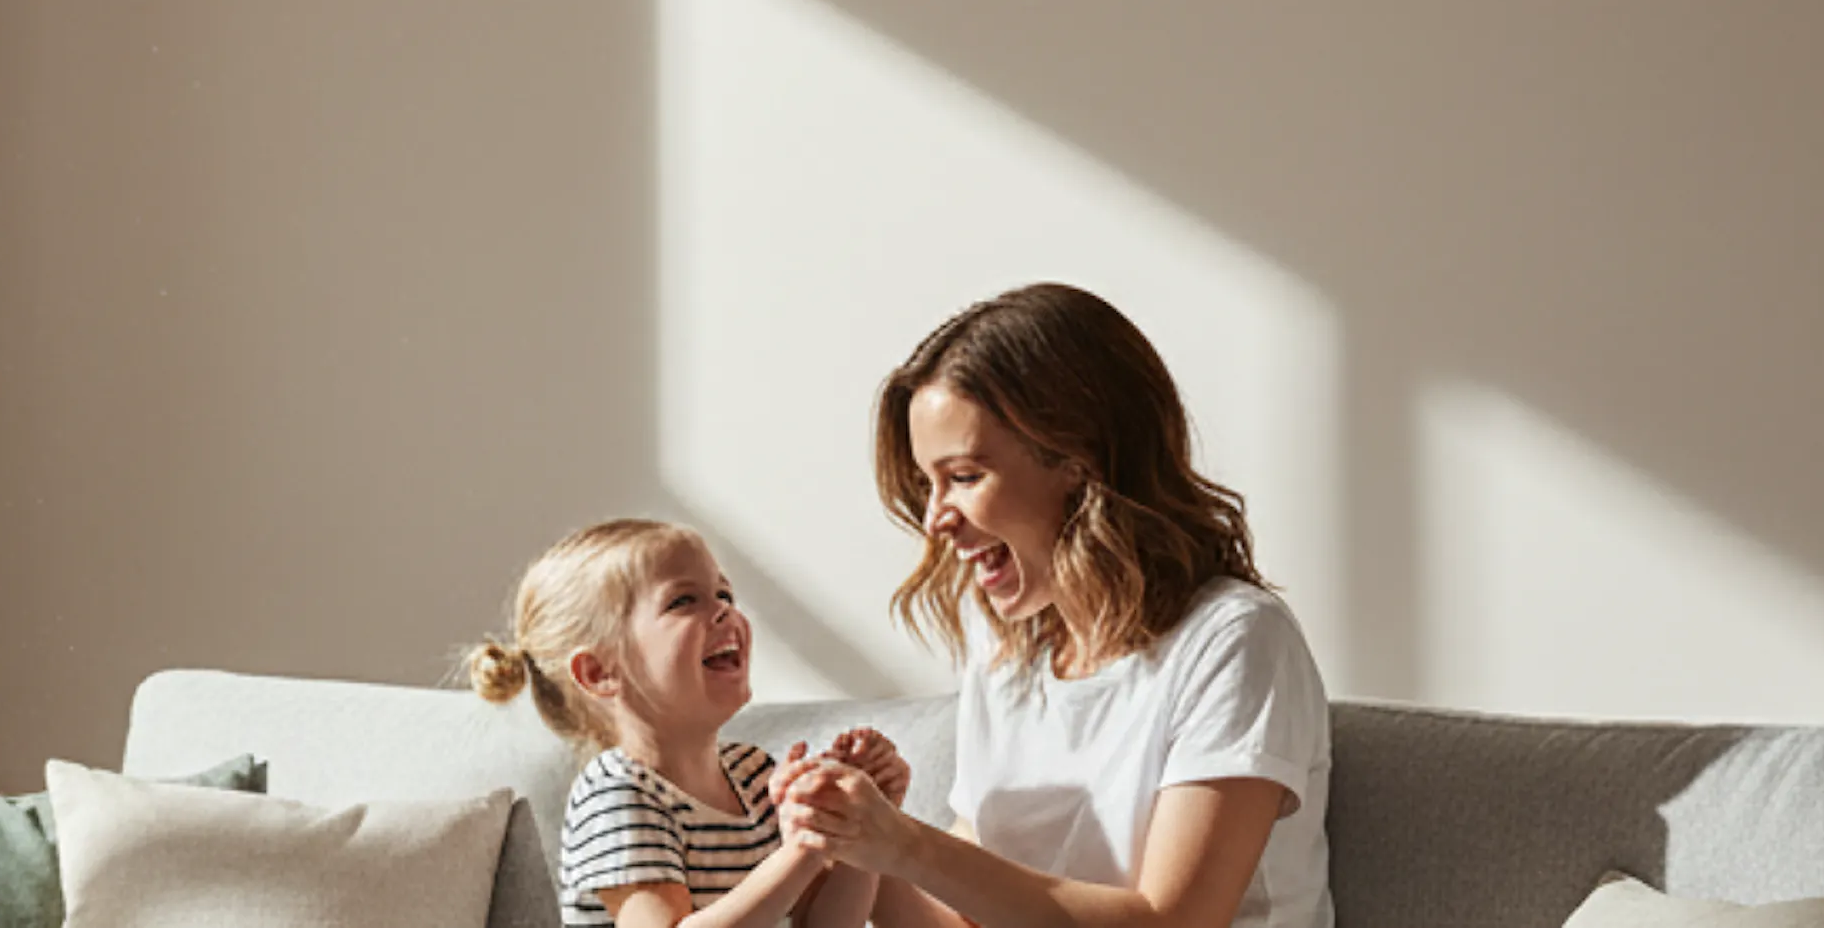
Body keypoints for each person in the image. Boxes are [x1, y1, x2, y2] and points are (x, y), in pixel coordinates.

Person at [778, 284, 1333, 928]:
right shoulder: (1007, 650)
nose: (935, 520)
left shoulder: (1235, 640)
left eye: (964, 477)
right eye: (929, 484)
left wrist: (905, 845)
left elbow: (1174, 922)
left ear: (1079, 460)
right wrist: (855, 844)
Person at [471, 518, 912, 928]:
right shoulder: (616, 796)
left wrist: (853, 827)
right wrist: (799, 849)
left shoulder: (754, 775)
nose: (724, 611)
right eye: (683, 600)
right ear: (600, 673)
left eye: (725, 595)